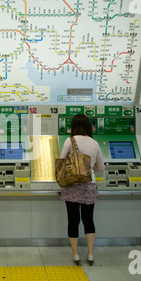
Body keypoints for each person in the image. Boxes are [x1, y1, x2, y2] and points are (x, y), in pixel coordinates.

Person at [59, 114, 105, 266]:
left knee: (73, 220)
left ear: (73, 126)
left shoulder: (69, 141)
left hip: (71, 184)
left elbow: (61, 160)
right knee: (88, 219)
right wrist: (90, 167)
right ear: (88, 126)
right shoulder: (94, 143)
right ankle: (91, 254)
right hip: (89, 184)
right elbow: (101, 168)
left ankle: (76, 254)